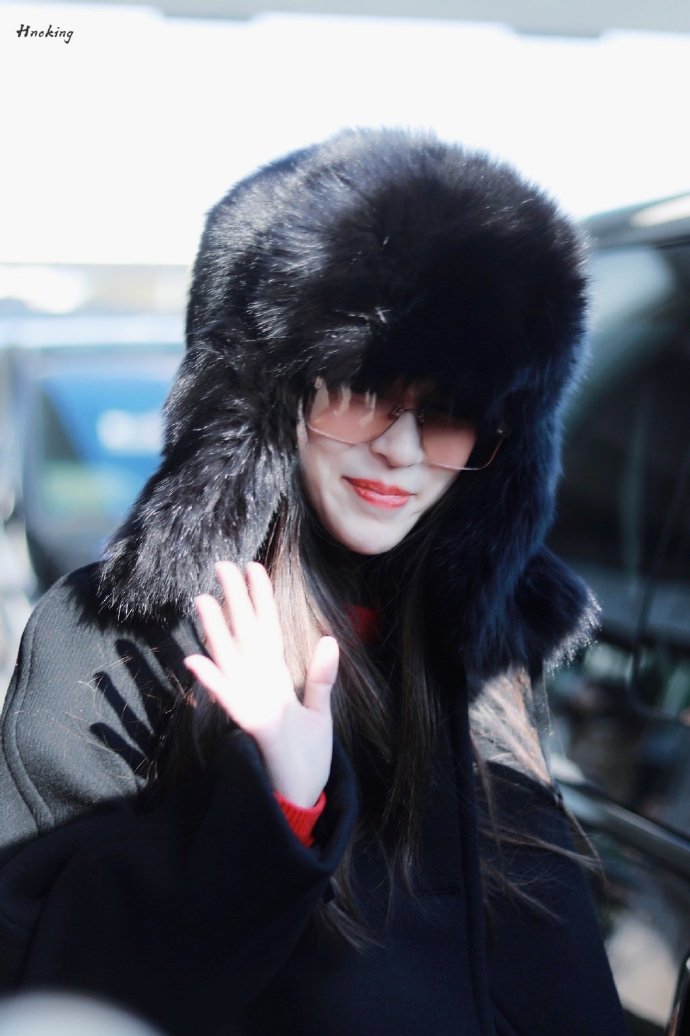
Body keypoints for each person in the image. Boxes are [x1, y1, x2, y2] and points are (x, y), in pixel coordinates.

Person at [0, 128, 628, 1036]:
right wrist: (278, 809)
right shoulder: (115, 639)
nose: (401, 449)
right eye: (363, 389)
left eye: (450, 410)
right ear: (265, 398)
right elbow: (49, 991)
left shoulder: (477, 657)